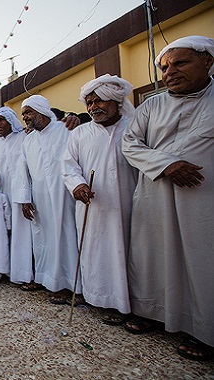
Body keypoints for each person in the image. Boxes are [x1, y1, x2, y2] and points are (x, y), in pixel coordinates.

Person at [122, 36, 214, 361]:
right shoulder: (152, 105)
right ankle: (150, 311)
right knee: (151, 252)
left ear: (208, 61)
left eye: (180, 62)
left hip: (202, 200)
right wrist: (166, 164)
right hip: (155, 193)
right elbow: (129, 144)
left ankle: (205, 331)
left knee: (201, 260)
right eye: (164, 67)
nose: (170, 72)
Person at [62, 74, 138, 324]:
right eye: (89, 102)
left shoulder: (134, 127)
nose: (94, 107)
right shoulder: (80, 133)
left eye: (100, 101)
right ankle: (98, 297)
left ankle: (132, 304)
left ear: (116, 101)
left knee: (131, 251)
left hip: (130, 205)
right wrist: (78, 185)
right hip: (92, 206)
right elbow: (68, 166)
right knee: (95, 250)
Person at [20, 95, 80, 304]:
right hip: (39, 198)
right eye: (24, 113)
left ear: (42, 111)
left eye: (28, 112)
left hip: (64, 195)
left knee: (65, 237)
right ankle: (47, 280)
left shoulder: (65, 129)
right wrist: (24, 198)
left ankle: (71, 286)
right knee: (43, 240)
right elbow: (23, 171)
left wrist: (76, 117)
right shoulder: (28, 140)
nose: (25, 117)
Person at [0, 107, 33, 286]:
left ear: (11, 121)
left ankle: (23, 274)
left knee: (22, 233)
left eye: (2, 119)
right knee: (3, 232)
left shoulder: (24, 138)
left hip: (21, 191)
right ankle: (2, 270)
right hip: (2, 193)